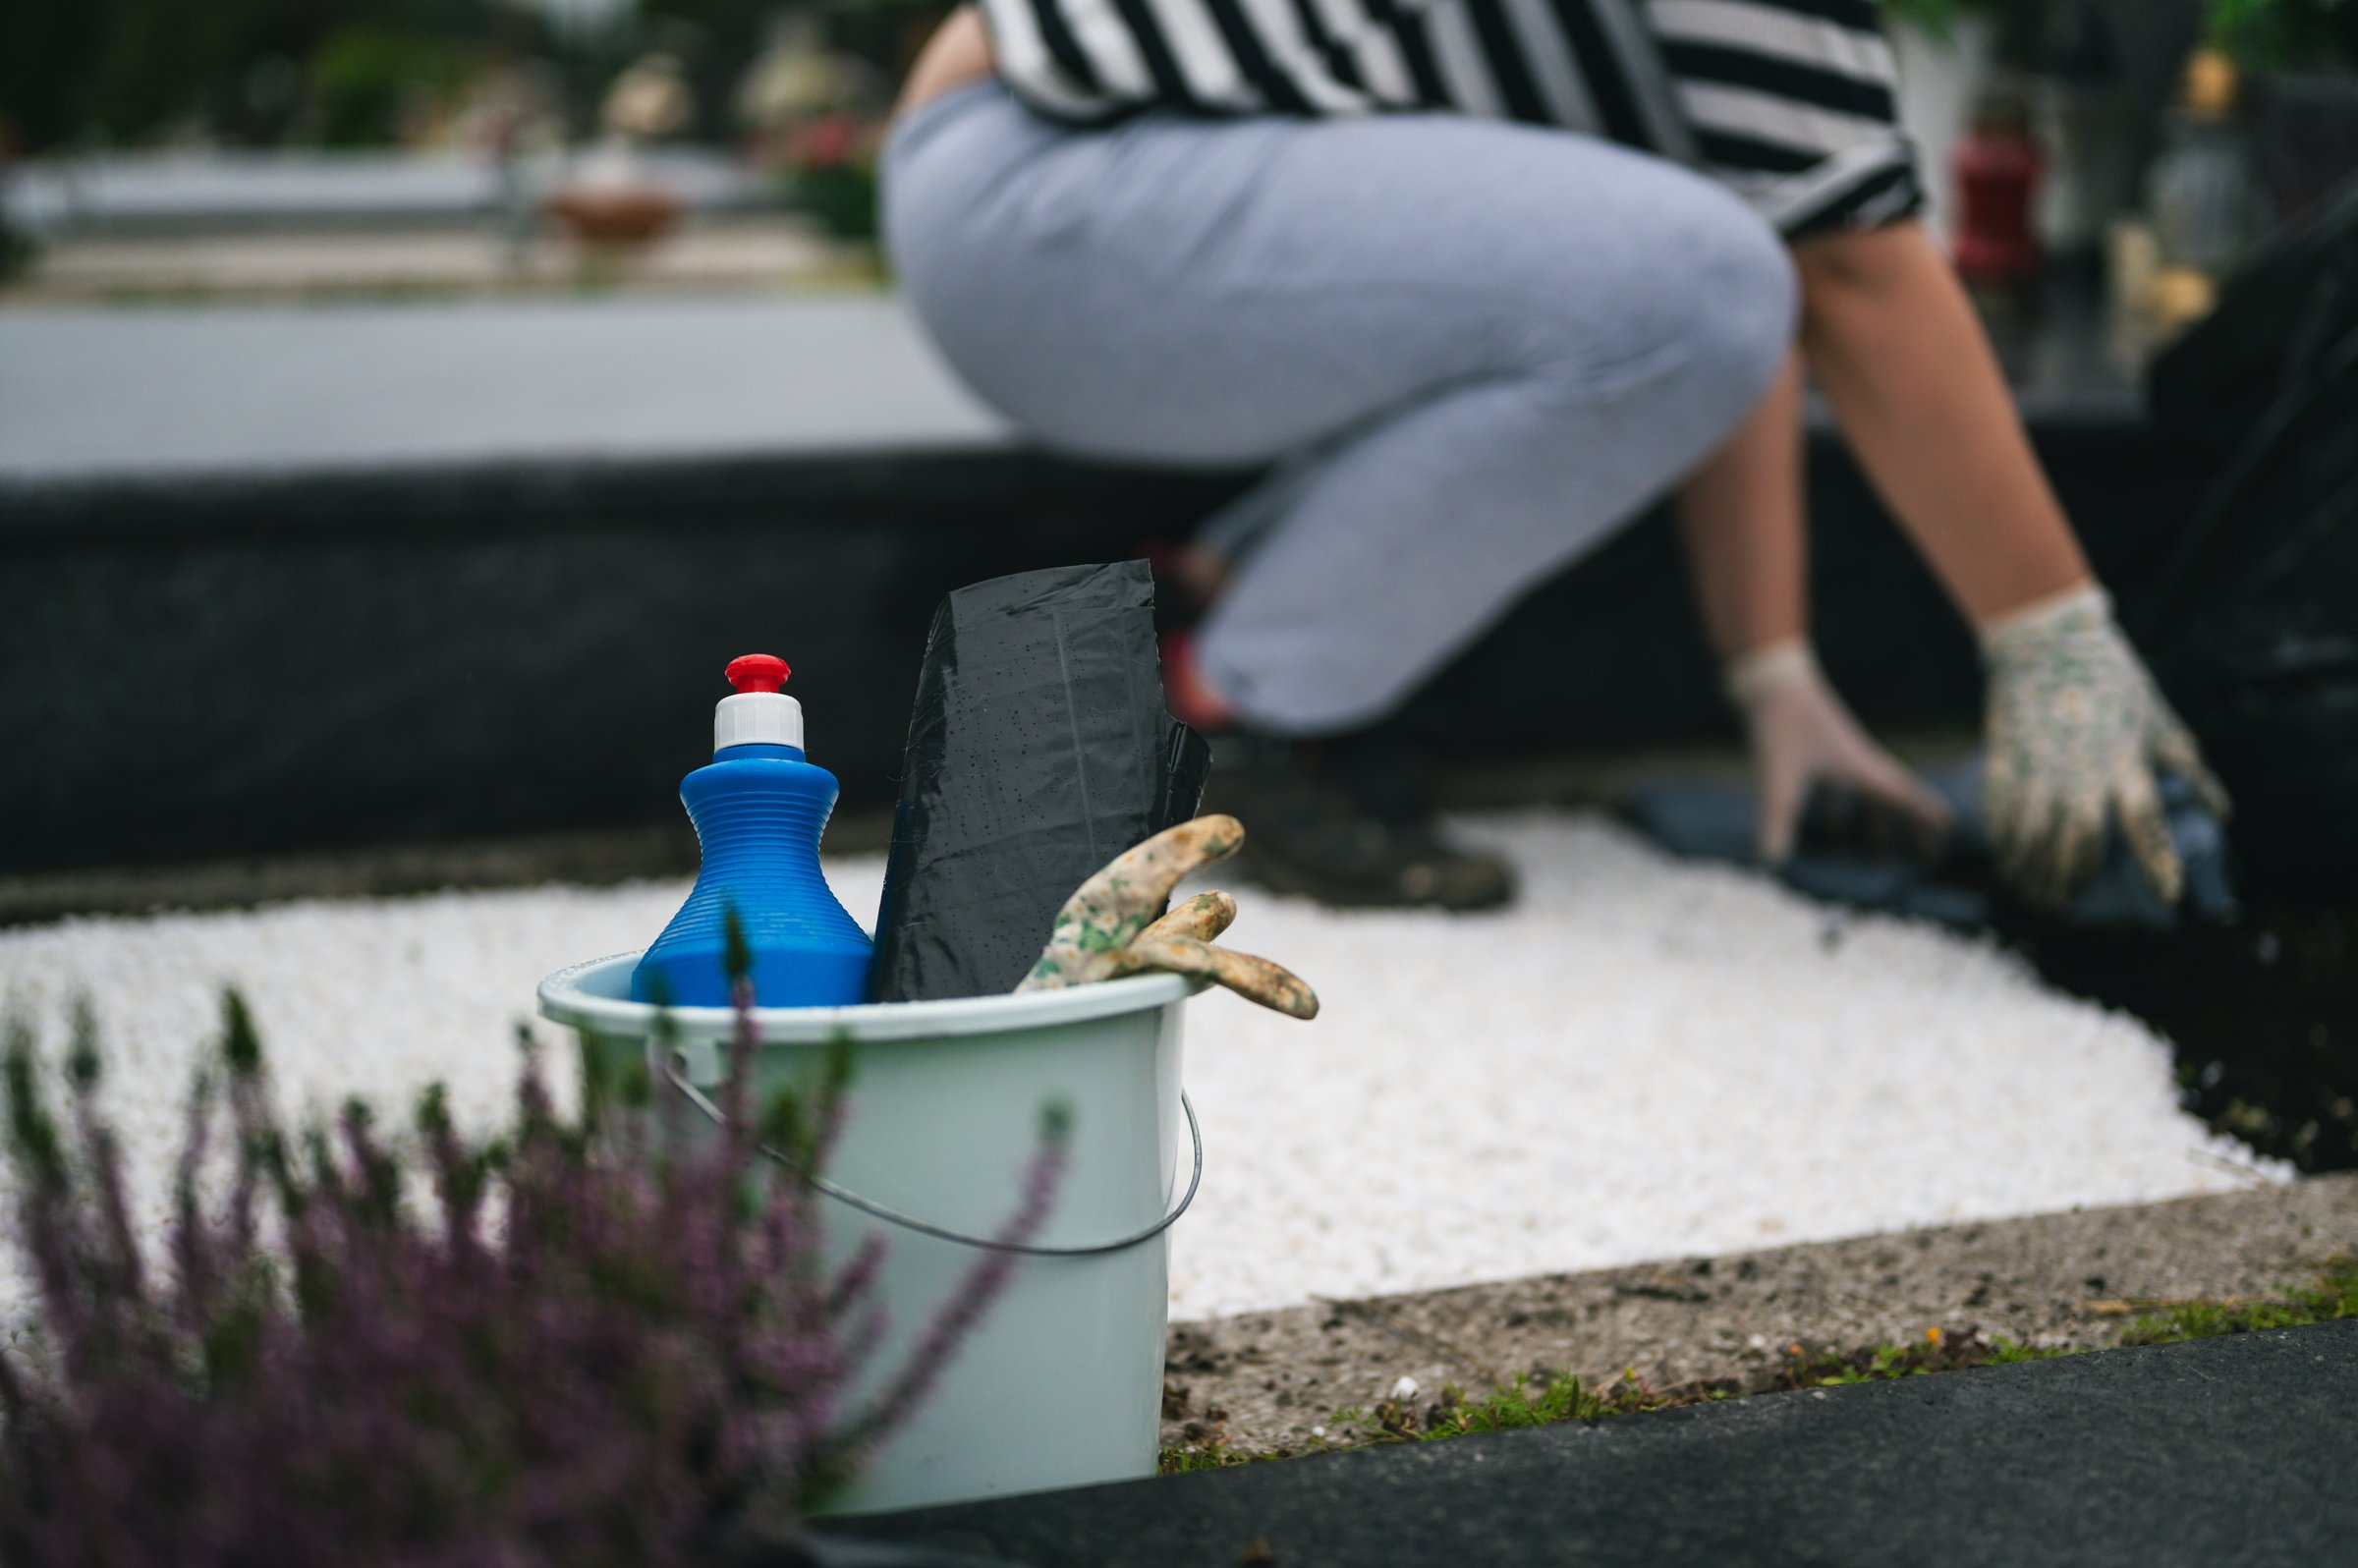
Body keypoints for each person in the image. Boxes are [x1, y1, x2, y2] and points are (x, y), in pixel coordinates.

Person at [880, 0, 2227, 911]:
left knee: (1690, 277)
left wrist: (1778, 684)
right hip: (1051, 180)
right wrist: (2051, 636)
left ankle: (1235, 586)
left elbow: (1722, 301)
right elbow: (1838, 271)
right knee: (1703, 279)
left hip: (1076, 193)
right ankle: (1238, 717)